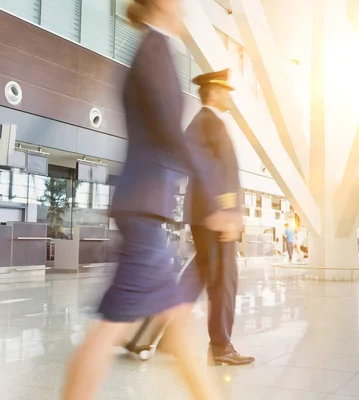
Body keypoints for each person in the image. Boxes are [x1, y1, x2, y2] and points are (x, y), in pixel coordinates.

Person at [62, 1, 231, 399]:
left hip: (144, 205)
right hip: (143, 207)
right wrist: (217, 202)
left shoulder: (154, 49)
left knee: (174, 320)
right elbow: (172, 135)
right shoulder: (154, 51)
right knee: (113, 326)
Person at [170, 69, 254, 366]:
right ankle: (221, 346)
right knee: (224, 280)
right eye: (227, 91)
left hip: (209, 213)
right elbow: (211, 170)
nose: (230, 95)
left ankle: (163, 331)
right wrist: (226, 210)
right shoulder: (207, 122)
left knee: (204, 274)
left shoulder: (205, 123)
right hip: (214, 215)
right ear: (215, 92)